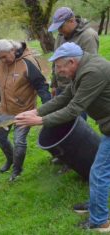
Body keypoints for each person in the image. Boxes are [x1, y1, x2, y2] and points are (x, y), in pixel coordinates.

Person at [15, 42, 110, 232]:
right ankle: (96, 206)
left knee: (98, 173)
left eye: (59, 66)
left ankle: (101, 221)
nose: (57, 71)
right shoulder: (81, 70)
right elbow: (63, 98)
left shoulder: (93, 72)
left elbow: (74, 108)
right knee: (99, 171)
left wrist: (41, 120)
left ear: (72, 62)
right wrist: (36, 111)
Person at [0, 39, 51, 181]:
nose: (2, 60)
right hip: (5, 110)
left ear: (13, 50)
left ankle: (17, 171)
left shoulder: (28, 62)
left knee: (19, 141)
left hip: (24, 111)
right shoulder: (1, 63)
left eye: (4, 57)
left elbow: (42, 86)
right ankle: (11, 159)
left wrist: (48, 106)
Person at [48, 6, 99, 97]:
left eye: (61, 27)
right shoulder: (60, 35)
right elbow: (56, 62)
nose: (59, 30)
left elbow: (90, 67)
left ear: (71, 21)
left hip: (78, 90)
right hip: (61, 88)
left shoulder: (88, 36)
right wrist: (54, 85)